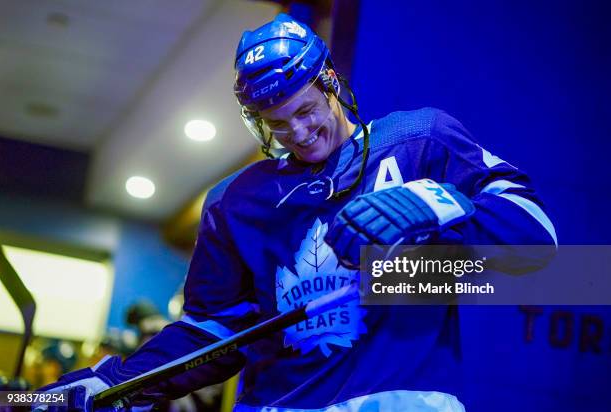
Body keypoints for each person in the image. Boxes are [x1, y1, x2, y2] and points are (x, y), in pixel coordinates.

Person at [41, 13, 557, 411]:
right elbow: (212, 333)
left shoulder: (419, 141)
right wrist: (123, 380)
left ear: (331, 82)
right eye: (278, 124)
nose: (298, 134)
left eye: (306, 110)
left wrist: (434, 203)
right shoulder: (235, 202)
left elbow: (539, 252)